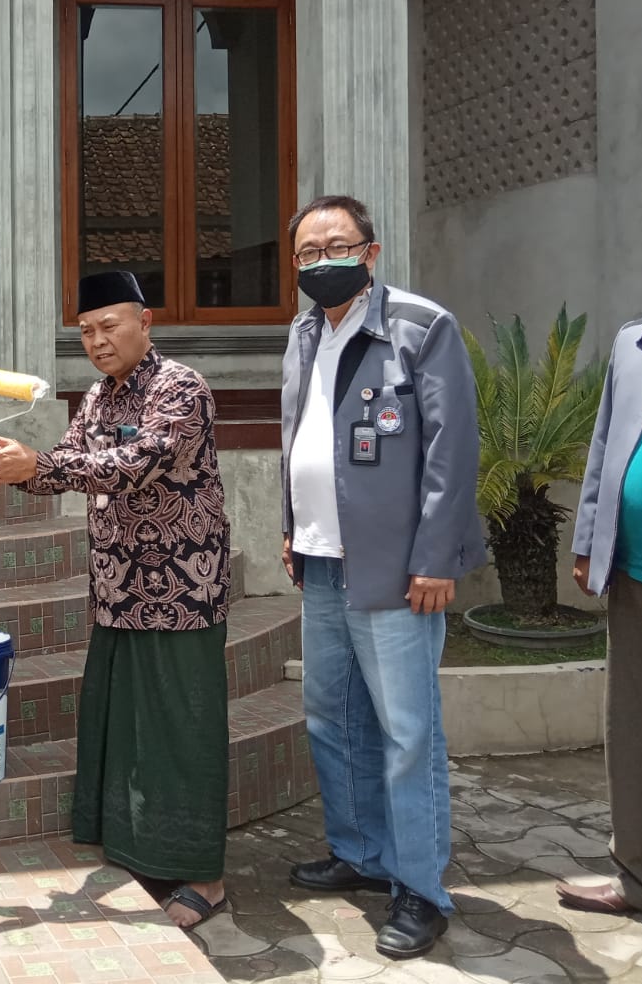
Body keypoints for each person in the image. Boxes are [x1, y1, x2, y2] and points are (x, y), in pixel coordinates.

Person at [0, 271, 232, 929]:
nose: (97, 340)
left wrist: (41, 467)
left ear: (145, 322)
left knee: (181, 730)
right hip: (117, 589)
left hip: (179, 591)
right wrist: (8, 464)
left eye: (109, 325)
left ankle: (206, 876)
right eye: (85, 330)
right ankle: (140, 847)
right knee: (128, 728)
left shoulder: (180, 389)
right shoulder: (97, 396)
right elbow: (64, 461)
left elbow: (139, 464)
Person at [278, 195, 484, 959]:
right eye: (305, 252)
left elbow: (450, 452)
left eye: (336, 245)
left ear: (370, 251)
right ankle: (360, 853)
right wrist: (291, 527)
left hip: (398, 569)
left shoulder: (420, 327)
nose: (320, 260)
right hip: (323, 561)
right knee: (333, 716)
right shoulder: (302, 332)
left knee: (406, 733)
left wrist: (436, 557)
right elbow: (296, 434)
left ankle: (421, 889)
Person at [558, 197, 642, 917]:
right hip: (634, 574)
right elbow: (607, 444)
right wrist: (588, 540)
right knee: (639, 738)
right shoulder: (635, 343)